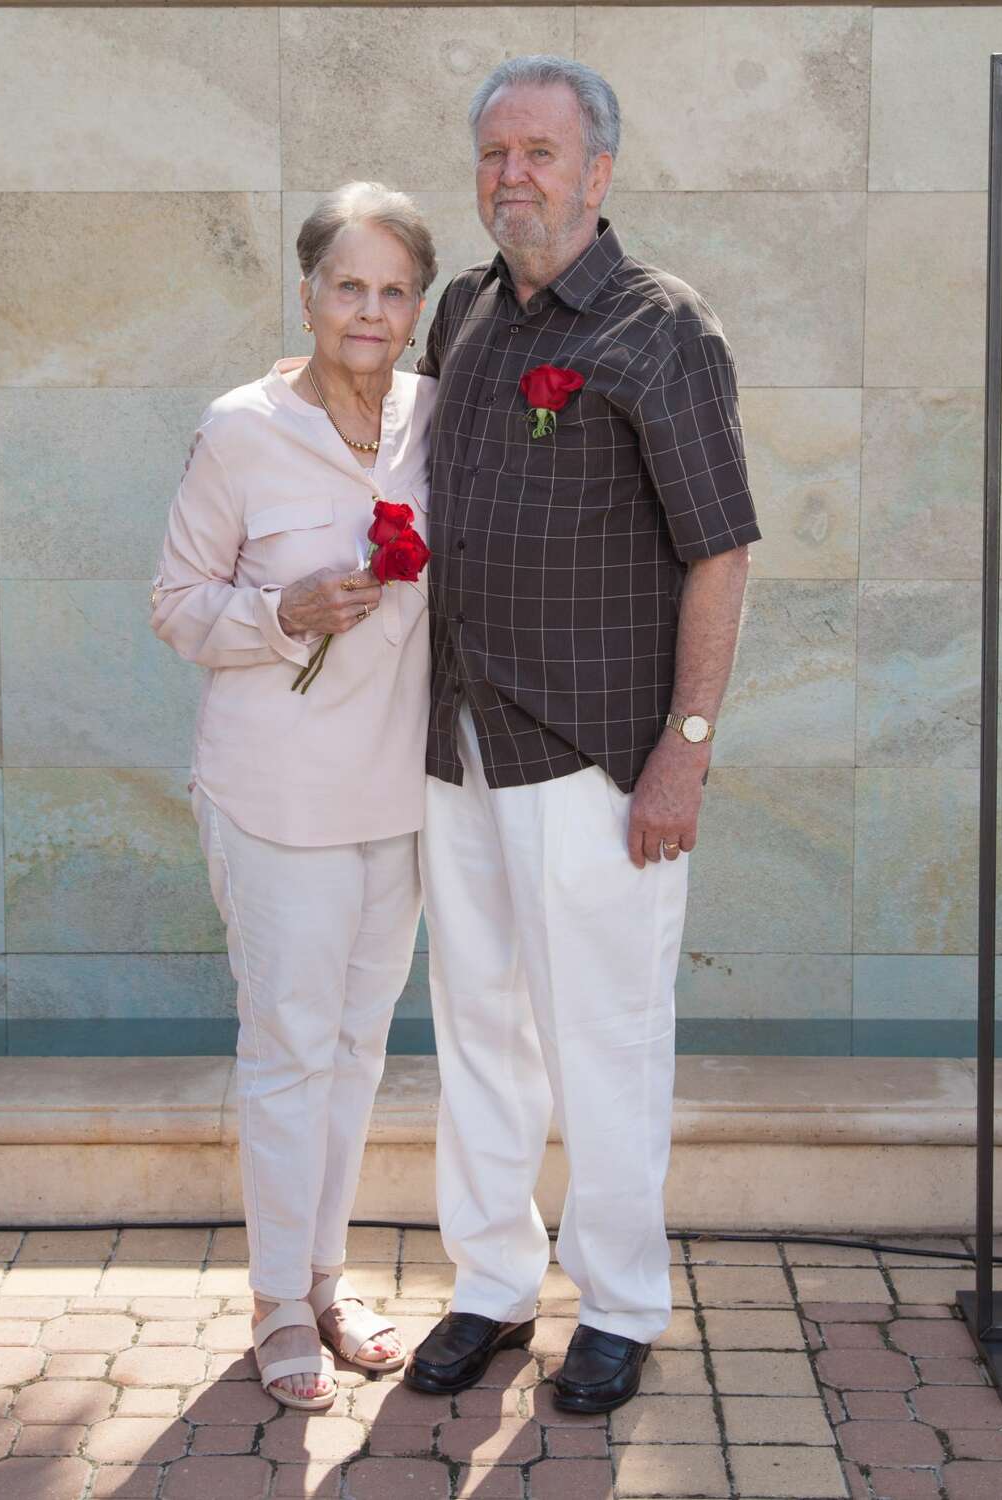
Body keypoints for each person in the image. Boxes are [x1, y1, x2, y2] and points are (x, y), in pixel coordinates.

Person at [403, 56, 761, 1414]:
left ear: (599, 171)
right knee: (478, 1031)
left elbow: (720, 552)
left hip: (604, 759)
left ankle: (616, 1305)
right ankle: (493, 1285)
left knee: (605, 1041)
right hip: (463, 744)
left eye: (541, 153)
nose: (514, 176)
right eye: (496, 153)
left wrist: (687, 747)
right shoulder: (466, 313)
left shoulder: (663, 330)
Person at [150, 182, 437, 1411]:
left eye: (393, 290)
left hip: (403, 797)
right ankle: (275, 1309)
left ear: (419, 307)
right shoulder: (240, 427)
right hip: (274, 797)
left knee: (359, 1054)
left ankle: (325, 1280)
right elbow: (175, 605)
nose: (369, 311)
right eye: (347, 286)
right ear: (308, 294)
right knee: (285, 1053)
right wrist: (282, 614)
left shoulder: (439, 417)